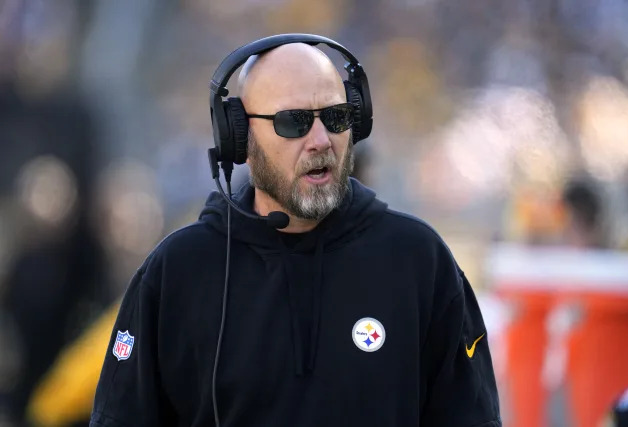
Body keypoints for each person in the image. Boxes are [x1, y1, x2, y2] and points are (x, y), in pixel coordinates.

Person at [90, 35, 501, 427]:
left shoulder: (419, 261)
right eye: (295, 122)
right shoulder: (178, 271)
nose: (321, 140)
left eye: (336, 118)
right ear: (239, 137)